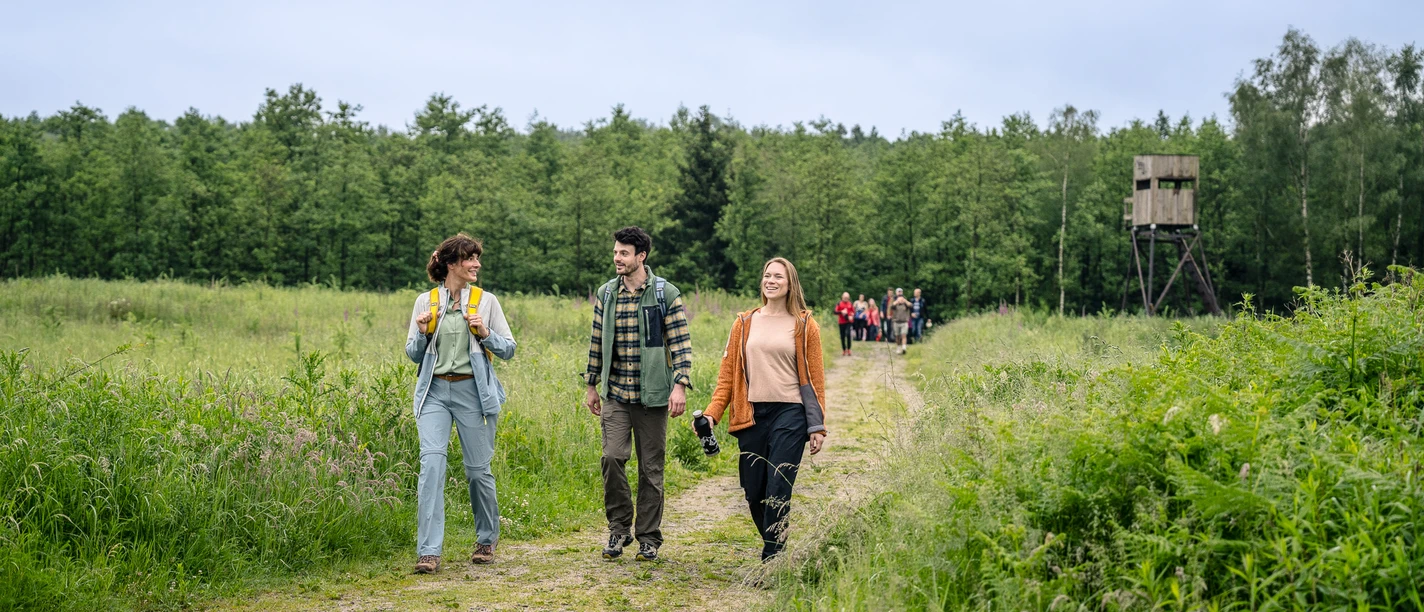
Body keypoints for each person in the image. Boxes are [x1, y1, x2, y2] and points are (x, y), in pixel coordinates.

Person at [701, 257, 827, 562]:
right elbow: (727, 377)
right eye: (767, 275)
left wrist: (817, 425)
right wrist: (712, 413)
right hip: (752, 414)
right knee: (754, 491)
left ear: (790, 284)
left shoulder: (805, 325)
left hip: (791, 413)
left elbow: (816, 380)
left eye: (778, 277)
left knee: (778, 486)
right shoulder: (744, 323)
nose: (771, 281)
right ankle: (776, 544)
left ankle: (772, 559)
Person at [405, 234, 518, 574]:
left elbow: (509, 349)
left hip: (473, 393)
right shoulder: (425, 301)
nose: (476, 264)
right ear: (451, 264)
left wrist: (485, 333)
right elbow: (413, 354)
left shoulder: (487, 302)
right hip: (434, 393)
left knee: (477, 471)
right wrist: (423, 332)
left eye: (476, 258)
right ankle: (428, 552)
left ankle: (486, 540)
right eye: (470, 258)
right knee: (432, 466)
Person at [582, 226, 693, 562]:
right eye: (616, 252)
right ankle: (619, 529)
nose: (617, 258)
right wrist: (591, 384)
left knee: (651, 470)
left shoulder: (665, 294)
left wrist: (680, 385)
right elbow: (596, 341)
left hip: (653, 397)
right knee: (612, 458)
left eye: (624, 253)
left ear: (641, 256)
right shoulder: (606, 294)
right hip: (615, 394)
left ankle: (648, 537)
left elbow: (680, 343)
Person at [891, 288, 912, 355]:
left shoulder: (906, 305)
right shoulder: (895, 305)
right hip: (896, 322)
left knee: (904, 335)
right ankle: (898, 347)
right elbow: (891, 306)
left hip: (904, 322)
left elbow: (911, 305)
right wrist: (897, 301)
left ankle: (904, 348)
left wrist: (905, 301)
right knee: (897, 336)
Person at [833, 292, 854, 356]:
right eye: (845, 297)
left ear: (848, 298)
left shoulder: (850, 304)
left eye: (847, 298)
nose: (846, 299)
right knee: (842, 336)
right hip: (841, 322)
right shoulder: (839, 303)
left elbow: (853, 312)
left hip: (848, 322)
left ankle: (849, 349)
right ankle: (844, 349)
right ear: (842, 297)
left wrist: (852, 316)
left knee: (848, 334)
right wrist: (841, 311)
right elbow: (835, 312)